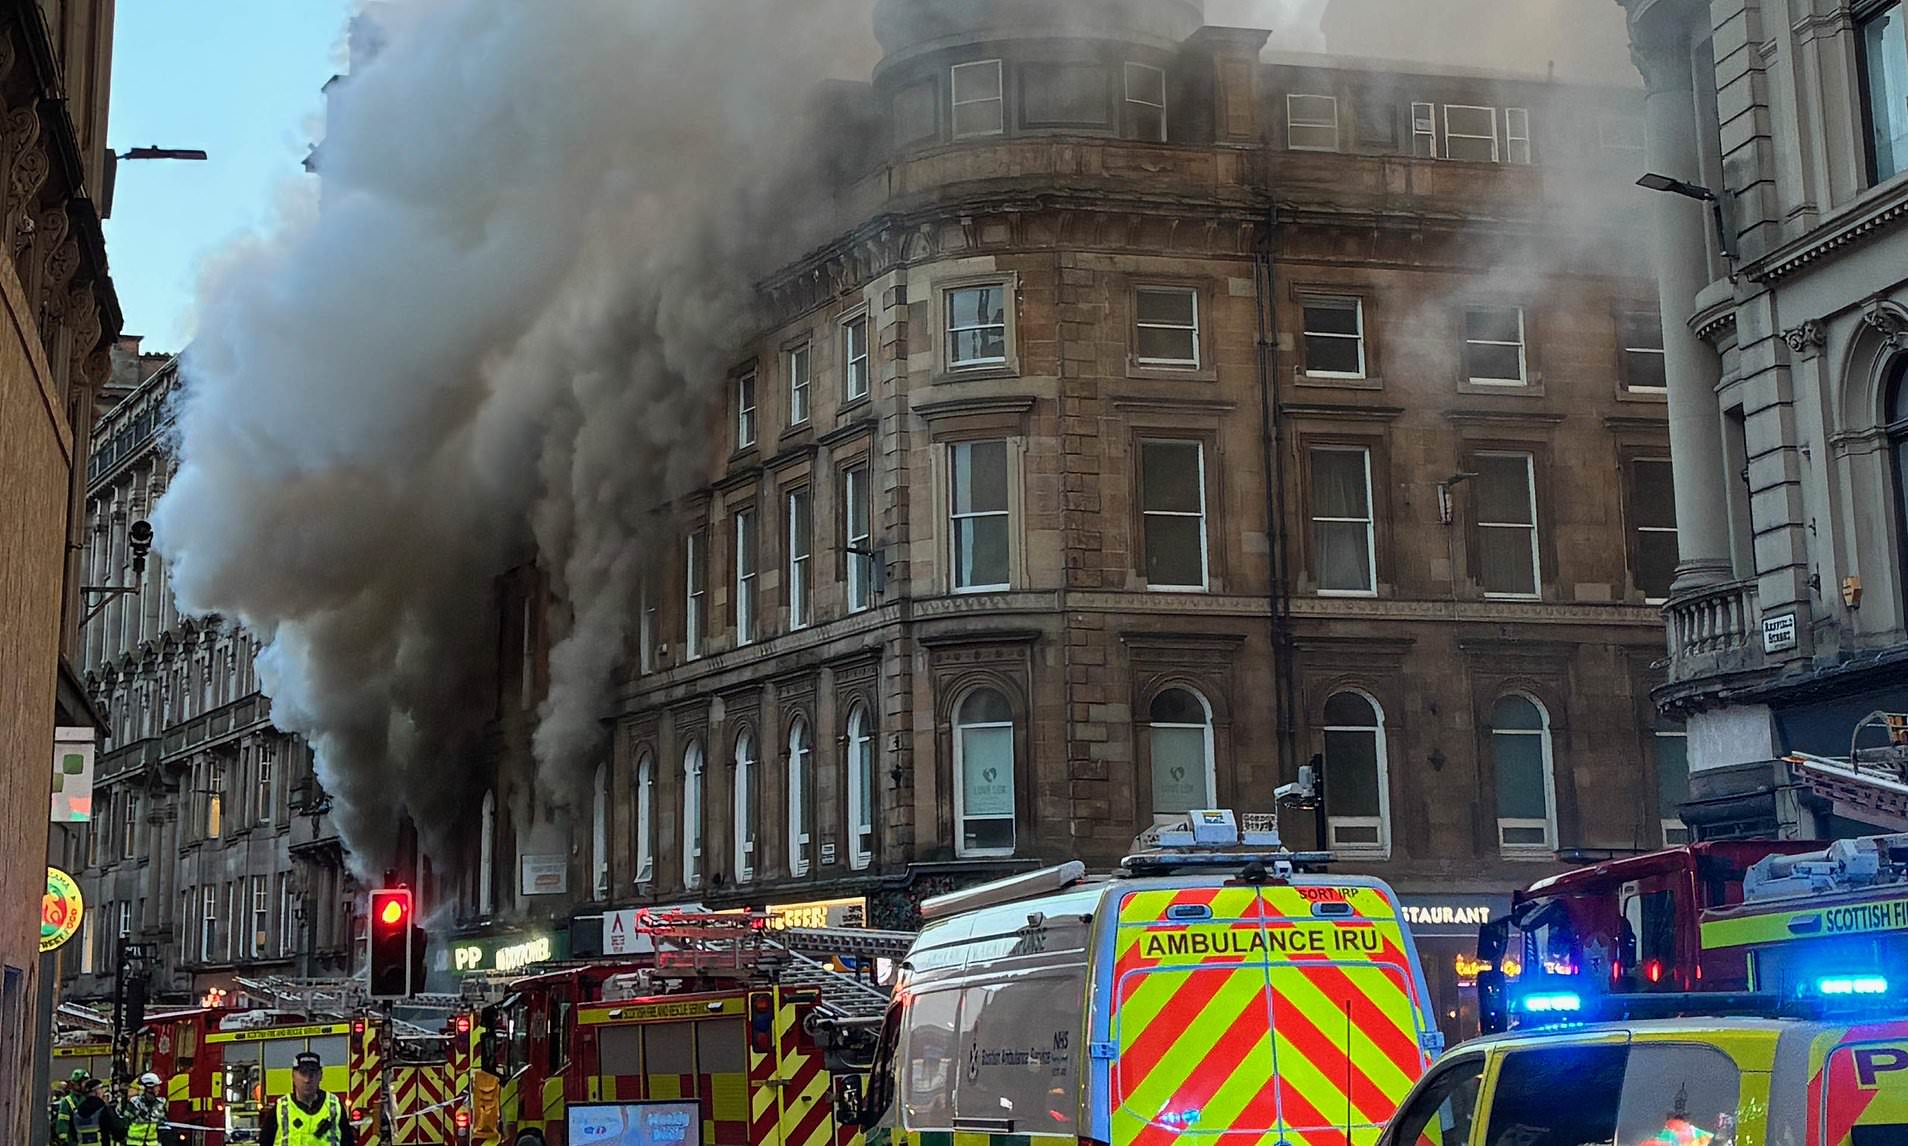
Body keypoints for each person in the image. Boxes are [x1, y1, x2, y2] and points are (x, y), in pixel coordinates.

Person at [259, 1051, 357, 1146]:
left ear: (320, 1076)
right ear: (293, 1076)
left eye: (312, 1073)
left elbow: (348, 1142)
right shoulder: (280, 1110)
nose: (307, 1079)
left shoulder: (334, 1107)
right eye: (303, 1073)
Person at [73, 1077, 131, 1146]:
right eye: (101, 1088)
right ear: (96, 1091)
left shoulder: (76, 1113)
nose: (103, 1092)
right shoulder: (104, 1110)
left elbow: (73, 1136)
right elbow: (119, 1133)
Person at [123, 1072, 167, 1146]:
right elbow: (125, 1123)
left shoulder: (160, 1104)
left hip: (152, 1144)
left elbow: (163, 1124)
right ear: (149, 1088)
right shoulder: (134, 1104)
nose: (159, 1089)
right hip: (134, 1143)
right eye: (156, 1086)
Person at [54, 1070, 90, 1146]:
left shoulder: (88, 1099)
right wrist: (64, 1141)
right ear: (76, 1084)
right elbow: (62, 1123)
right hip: (72, 1141)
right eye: (84, 1082)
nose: (87, 1085)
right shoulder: (67, 1101)